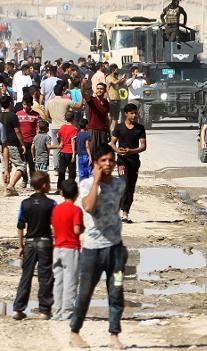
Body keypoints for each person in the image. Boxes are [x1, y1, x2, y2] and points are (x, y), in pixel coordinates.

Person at [69, 144, 127, 350]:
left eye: (110, 160)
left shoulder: (120, 184)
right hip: (93, 251)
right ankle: (75, 332)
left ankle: (114, 334)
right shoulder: (85, 185)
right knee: (85, 292)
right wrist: (96, 181)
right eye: (103, 161)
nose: (107, 164)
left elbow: (117, 208)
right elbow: (89, 207)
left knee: (117, 290)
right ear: (95, 164)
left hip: (116, 251)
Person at [12, 171, 56, 321]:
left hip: (30, 243)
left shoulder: (25, 203)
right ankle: (45, 310)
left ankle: (18, 309)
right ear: (44, 186)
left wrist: (20, 246)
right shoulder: (51, 203)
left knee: (26, 276)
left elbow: (20, 225)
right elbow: (55, 224)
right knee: (45, 277)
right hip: (45, 242)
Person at [50, 179, 84, 321]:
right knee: (71, 280)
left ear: (62, 193)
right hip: (71, 247)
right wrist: (83, 228)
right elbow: (77, 229)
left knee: (58, 280)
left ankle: (57, 311)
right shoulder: (76, 210)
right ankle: (68, 312)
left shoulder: (56, 209)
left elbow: (52, 227)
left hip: (57, 248)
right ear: (77, 193)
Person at [110, 103, 146, 223]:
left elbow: (143, 146)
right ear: (126, 114)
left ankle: (125, 213)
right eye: (132, 113)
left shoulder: (140, 128)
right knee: (123, 185)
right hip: (122, 162)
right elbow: (112, 143)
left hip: (134, 162)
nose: (134, 115)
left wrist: (131, 151)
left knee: (130, 188)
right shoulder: (119, 127)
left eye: (135, 113)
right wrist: (118, 151)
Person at [44, 82, 81, 172]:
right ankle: (68, 166)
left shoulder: (49, 103)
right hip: (65, 127)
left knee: (57, 147)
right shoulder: (66, 101)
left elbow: (46, 115)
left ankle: (57, 167)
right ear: (62, 91)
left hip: (54, 127)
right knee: (68, 146)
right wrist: (82, 95)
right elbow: (79, 106)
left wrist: (51, 121)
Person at [0, 95, 27, 196]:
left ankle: (7, 190)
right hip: (12, 144)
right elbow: (17, 131)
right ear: (10, 103)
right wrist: (22, 144)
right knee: (21, 165)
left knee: (6, 167)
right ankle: (10, 186)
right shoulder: (12, 115)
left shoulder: (0, 115)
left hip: (1, 145)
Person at [17, 95, 41, 188]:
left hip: (32, 143)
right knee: (22, 163)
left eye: (27, 105)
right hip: (21, 143)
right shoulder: (18, 114)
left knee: (32, 163)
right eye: (24, 104)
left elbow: (38, 129)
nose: (25, 107)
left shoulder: (36, 115)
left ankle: (32, 181)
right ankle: (24, 179)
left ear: (31, 104)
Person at [81, 79, 110, 155]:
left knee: (102, 153)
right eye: (98, 88)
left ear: (105, 91)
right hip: (92, 130)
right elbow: (84, 94)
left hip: (103, 131)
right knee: (92, 152)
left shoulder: (106, 103)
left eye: (101, 89)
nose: (99, 90)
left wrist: (109, 131)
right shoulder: (92, 100)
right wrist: (83, 85)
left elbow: (106, 118)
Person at [56, 111, 78, 193]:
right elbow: (73, 141)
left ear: (65, 118)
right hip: (69, 152)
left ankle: (59, 188)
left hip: (62, 151)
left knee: (61, 171)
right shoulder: (74, 129)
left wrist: (61, 143)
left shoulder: (62, 127)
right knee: (72, 172)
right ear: (73, 118)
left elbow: (58, 136)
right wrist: (73, 154)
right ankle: (70, 188)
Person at [106, 64, 126, 130]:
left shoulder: (115, 78)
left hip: (117, 100)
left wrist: (123, 80)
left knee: (116, 117)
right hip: (111, 100)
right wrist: (121, 78)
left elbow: (119, 84)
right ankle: (107, 130)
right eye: (116, 69)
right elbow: (114, 83)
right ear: (113, 70)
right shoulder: (109, 77)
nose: (117, 70)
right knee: (110, 117)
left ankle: (114, 131)